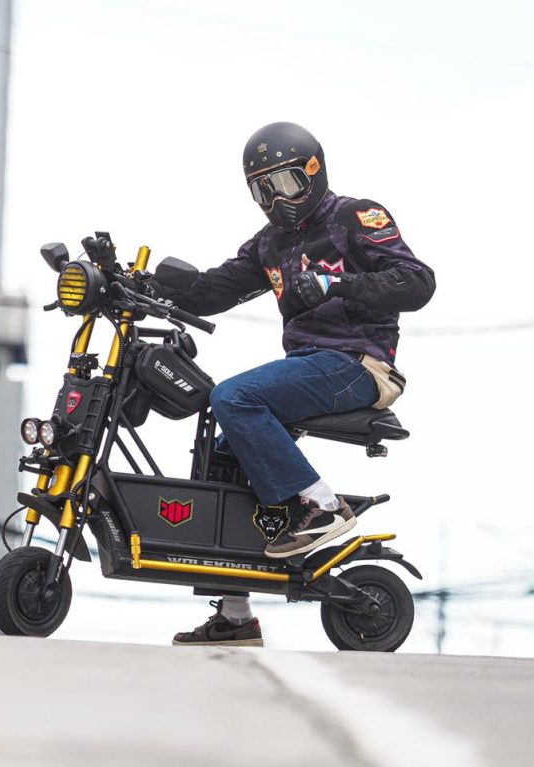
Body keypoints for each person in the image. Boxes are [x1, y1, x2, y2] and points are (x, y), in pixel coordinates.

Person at [165, 121, 435, 647]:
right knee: (222, 460)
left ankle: (323, 506)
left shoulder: (354, 216)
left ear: (314, 172)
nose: (275, 199)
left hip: (359, 366)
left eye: (285, 183)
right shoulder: (270, 245)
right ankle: (236, 616)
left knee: (233, 397)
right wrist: (136, 283)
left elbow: (417, 281)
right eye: (263, 189)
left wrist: (338, 281)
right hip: (312, 369)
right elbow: (212, 289)